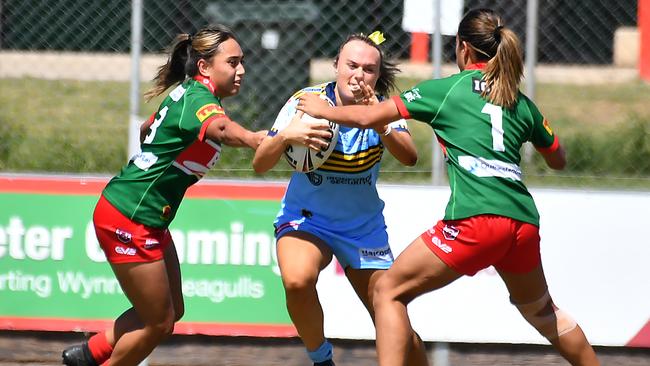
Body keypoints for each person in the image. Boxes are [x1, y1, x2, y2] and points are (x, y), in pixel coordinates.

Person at [297, 9, 600, 366]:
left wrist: (322, 109)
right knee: (545, 314)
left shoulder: (446, 90)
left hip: (476, 219)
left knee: (387, 291)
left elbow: (367, 117)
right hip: (522, 223)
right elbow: (558, 159)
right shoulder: (518, 102)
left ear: (463, 48)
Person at [61, 24, 265, 366]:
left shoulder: (187, 93)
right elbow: (223, 130)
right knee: (159, 321)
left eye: (242, 61)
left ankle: (87, 355)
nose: (241, 70)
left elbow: (147, 131)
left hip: (145, 215)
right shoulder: (199, 99)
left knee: (172, 308)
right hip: (130, 216)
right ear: (204, 67)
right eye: (232, 62)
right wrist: (259, 139)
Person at [252, 32, 428, 366]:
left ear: (377, 76)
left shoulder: (384, 107)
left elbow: (410, 157)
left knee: (396, 326)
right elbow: (260, 163)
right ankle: (321, 359)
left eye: (369, 69)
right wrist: (287, 135)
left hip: (362, 229)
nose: (358, 75)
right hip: (308, 219)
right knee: (297, 279)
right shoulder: (305, 102)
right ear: (335, 66)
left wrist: (381, 121)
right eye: (351, 65)